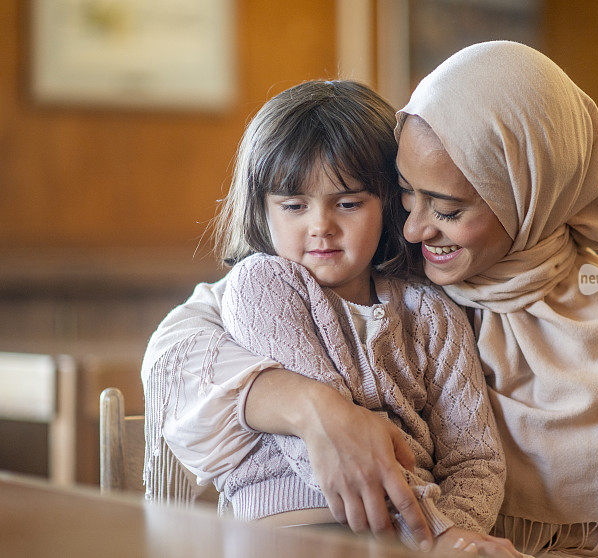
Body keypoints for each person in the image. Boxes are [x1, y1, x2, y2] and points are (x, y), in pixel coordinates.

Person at [143, 42, 598, 557]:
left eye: (447, 210)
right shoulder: (318, 278)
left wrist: (445, 538)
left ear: (530, 195)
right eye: (406, 196)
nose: (413, 230)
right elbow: (176, 352)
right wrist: (313, 409)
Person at [143, 80, 511, 553]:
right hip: (286, 533)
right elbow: (325, 446)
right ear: (263, 210)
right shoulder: (262, 286)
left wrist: (452, 538)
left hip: (410, 538)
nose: (321, 226)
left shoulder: (433, 312)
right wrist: (431, 533)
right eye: (294, 206)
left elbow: (474, 459)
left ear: (390, 204)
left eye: (349, 203)